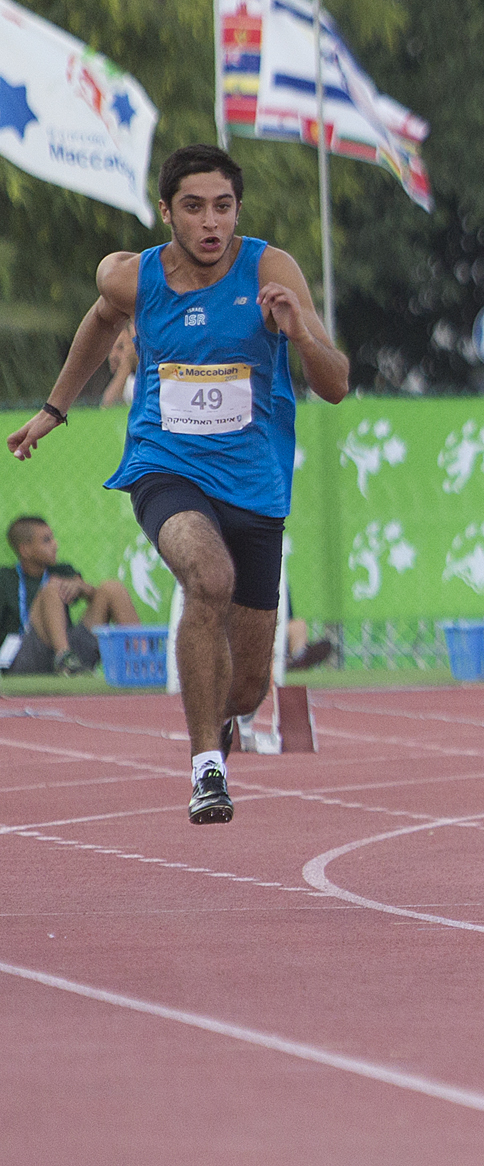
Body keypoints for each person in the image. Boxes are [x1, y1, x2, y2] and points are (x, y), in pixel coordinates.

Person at [6, 144, 348, 825]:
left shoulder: (270, 269)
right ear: (167, 212)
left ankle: (217, 724)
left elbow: (334, 385)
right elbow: (102, 318)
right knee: (207, 575)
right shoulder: (138, 278)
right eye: (193, 207)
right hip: (166, 468)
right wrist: (54, 408)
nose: (210, 222)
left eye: (223, 206)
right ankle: (205, 770)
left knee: (247, 687)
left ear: (238, 211)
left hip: (254, 484)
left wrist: (299, 330)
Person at [5, 516, 141, 676]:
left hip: (72, 651)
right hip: (26, 657)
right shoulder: (4, 579)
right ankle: (65, 659)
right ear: (25, 550)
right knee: (51, 589)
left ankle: (143, 663)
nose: (55, 545)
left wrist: (81, 587)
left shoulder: (63, 571)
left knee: (112, 588)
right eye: (46, 540)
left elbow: (100, 600)